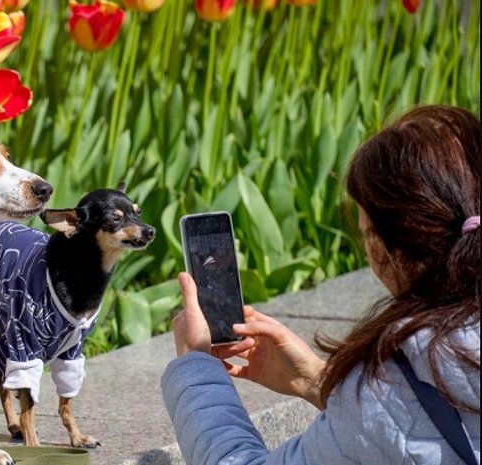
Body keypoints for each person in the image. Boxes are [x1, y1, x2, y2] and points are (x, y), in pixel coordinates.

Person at [161, 105, 480, 464]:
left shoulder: (396, 379)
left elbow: (397, 422)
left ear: (382, 248)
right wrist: (319, 382)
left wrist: (195, 367)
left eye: (364, 234)